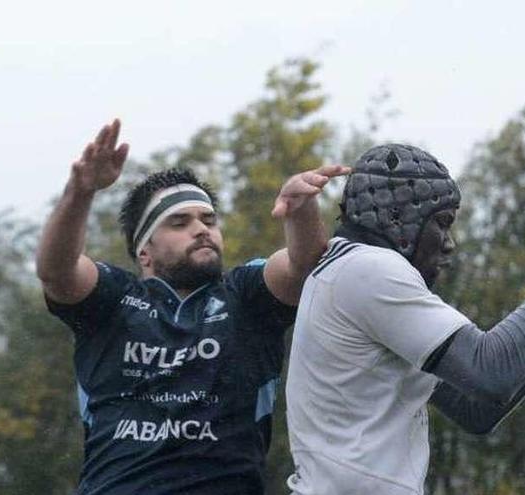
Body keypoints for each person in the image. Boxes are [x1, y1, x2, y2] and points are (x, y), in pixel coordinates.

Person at [284, 143, 525, 495]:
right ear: (397, 219)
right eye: (442, 223)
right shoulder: (369, 270)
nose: (449, 243)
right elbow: (491, 371)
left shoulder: (351, 272)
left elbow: (477, 409)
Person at [35, 119, 349, 494]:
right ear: (144, 252)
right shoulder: (113, 300)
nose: (201, 229)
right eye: (179, 222)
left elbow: (306, 266)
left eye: (208, 220)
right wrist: (80, 192)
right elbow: (55, 271)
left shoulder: (246, 296)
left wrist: (302, 210)